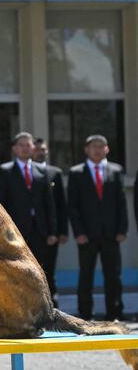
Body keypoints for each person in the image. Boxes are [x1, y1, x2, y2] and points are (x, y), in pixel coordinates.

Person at [67, 135, 128, 321]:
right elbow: (73, 206)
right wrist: (78, 232)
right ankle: (85, 315)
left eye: (101, 146)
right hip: (87, 235)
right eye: (94, 146)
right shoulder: (76, 172)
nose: (97, 150)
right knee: (86, 276)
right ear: (86, 149)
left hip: (111, 234)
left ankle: (114, 314)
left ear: (107, 149)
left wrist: (122, 229)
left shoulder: (116, 171)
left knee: (113, 276)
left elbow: (121, 203)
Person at [0, 132, 57, 293]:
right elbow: (0, 205)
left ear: (33, 148)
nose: (25, 148)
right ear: (15, 149)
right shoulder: (6, 171)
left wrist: (52, 231)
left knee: (43, 269)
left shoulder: (41, 172)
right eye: (21, 145)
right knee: (18, 269)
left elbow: (49, 204)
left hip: (41, 231)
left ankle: (47, 307)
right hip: (16, 231)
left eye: (28, 145)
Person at [33, 138, 69, 307]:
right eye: (38, 149)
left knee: (49, 271)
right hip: (31, 232)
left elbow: (61, 204)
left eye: (44, 149)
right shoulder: (26, 172)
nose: (41, 152)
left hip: (50, 233)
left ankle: (52, 306)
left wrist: (62, 231)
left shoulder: (55, 172)